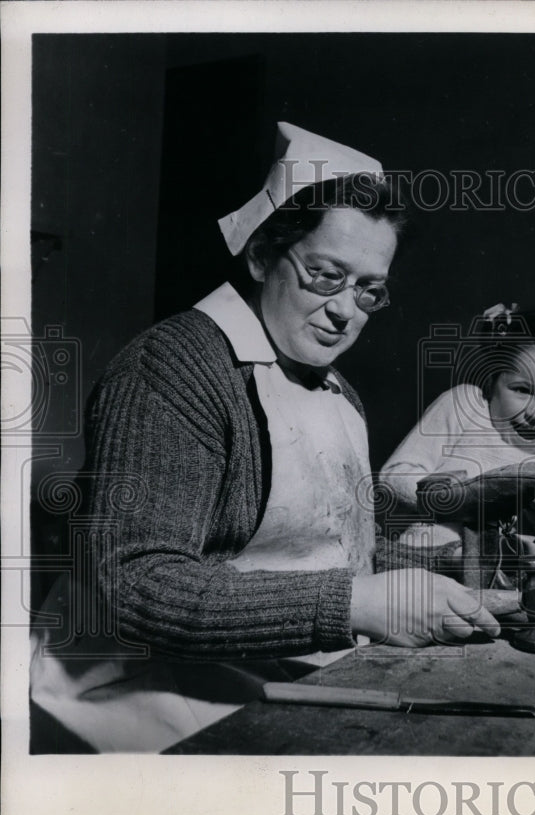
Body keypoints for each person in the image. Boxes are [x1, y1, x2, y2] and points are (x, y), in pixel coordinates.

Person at [30, 122, 500, 753]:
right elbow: (140, 587)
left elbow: (323, 552)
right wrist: (356, 606)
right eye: (326, 274)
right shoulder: (173, 368)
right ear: (260, 256)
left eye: (369, 290)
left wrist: (424, 585)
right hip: (133, 694)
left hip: (269, 671)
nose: (345, 310)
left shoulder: (337, 395)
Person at [378, 304, 535, 568]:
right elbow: (392, 478)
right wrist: (457, 500)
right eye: (522, 390)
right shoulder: (465, 407)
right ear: (492, 379)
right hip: (424, 561)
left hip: (506, 580)